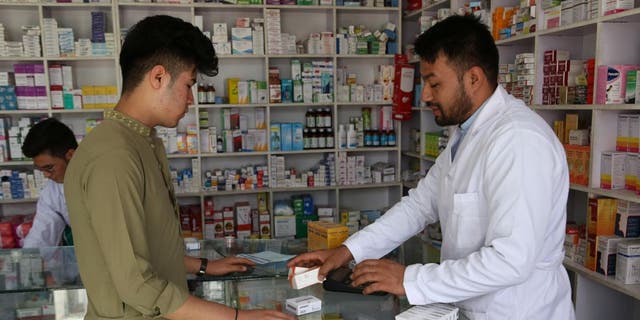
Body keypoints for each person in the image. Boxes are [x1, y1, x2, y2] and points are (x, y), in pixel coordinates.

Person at [288, 14, 575, 320]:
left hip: (518, 312)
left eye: (434, 83)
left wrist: (409, 279)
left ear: (473, 79)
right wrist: (347, 251)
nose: (424, 95)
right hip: (469, 307)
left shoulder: (518, 142)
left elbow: (511, 260)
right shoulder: (467, 132)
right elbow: (419, 206)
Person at [64, 15, 294, 320]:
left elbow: (143, 247)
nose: (189, 99)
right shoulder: (114, 156)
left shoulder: (143, 140)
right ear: (158, 77)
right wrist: (238, 317)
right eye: (188, 84)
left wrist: (202, 266)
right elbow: (137, 283)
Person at [21, 118, 76, 248]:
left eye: (49, 168)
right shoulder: (53, 190)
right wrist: (28, 259)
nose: (46, 175)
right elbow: (42, 232)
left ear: (70, 155)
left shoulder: (102, 177)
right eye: (41, 169)